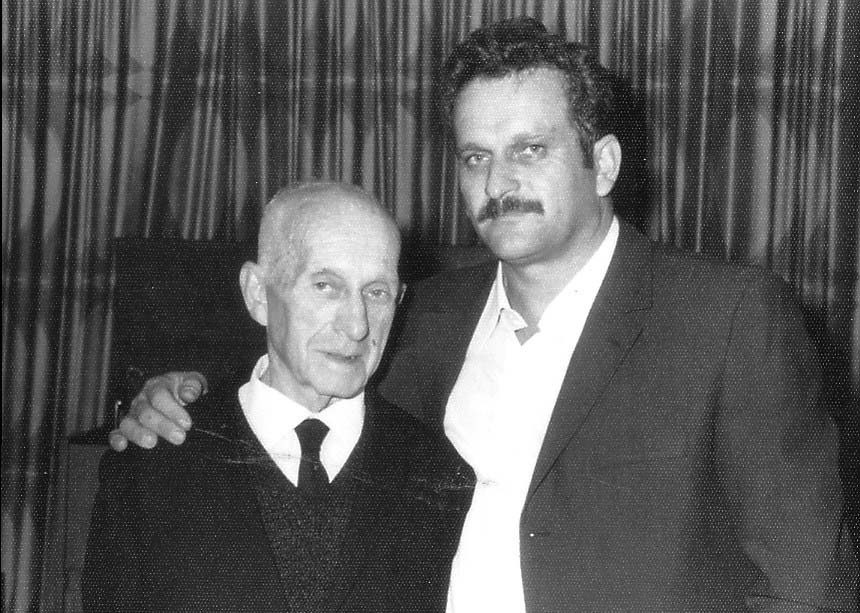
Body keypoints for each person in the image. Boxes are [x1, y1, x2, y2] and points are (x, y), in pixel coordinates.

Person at [110, 17, 857, 613]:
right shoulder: (427, 316)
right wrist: (183, 393)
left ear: (603, 163)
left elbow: (805, 582)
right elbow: (310, 376)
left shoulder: (725, 318)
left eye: (529, 149)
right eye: (475, 156)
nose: (498, 181)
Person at [83, 182, 474, 613]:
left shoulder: (440, 476)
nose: (358, 325)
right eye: (326, 285)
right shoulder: (149, 468)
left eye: (376, 292)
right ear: (258, 293)